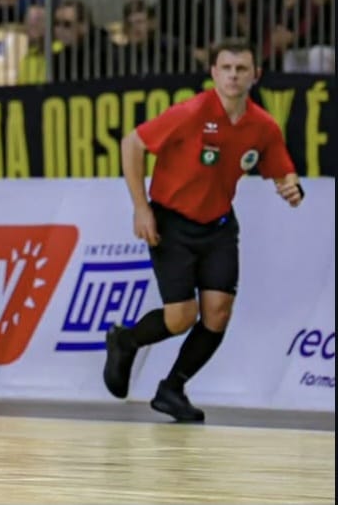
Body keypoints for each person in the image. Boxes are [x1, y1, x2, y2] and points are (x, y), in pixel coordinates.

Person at [106, 39, 303, 422]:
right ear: (213, 73)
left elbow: (281, 166)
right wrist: (141, 207)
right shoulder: (192, 112)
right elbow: (132, 143)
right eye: (226, 68)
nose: (233, 75)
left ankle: (172, 388)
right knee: (181, 317)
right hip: (172, 223)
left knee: (217, 314)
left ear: (255, 75)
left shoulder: (262, 126)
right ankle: (125, 341)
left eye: (241, 69)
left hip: (218, 226)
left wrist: (290, 185)